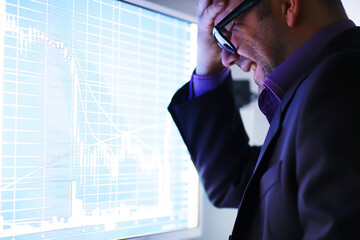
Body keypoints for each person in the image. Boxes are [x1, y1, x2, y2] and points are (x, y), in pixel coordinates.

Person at [168, 0, 360, 239]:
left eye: (226, 31)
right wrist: (208, 63)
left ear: (288, 5)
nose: (226, 59)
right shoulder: (318, 89)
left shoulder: (341, 81)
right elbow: (232, 180)